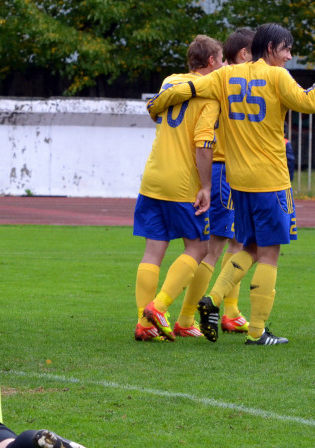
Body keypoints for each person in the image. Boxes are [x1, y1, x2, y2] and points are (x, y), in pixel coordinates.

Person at [147, 23, 315, 345]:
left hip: (237, 182)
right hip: (270, 179)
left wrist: (157, 102)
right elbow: (310, 103)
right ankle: (257, 331)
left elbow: (192, 89)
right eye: (286, 50)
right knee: (269, 253)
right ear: (270, 49)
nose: (289, 57)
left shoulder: (226, 76)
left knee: (249, 247)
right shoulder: (276, 76)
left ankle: (212, 300)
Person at [134, 35, 224, 342]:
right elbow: (203, 144)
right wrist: (207, 186)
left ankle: (143, 323)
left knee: (153, 251)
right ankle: (159, 308)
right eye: (221, 59)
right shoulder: (210, 97)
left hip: (153, 176)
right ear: (211, 61)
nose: (223, 64)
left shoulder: (169, 81)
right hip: (181, 182)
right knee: (198, 247)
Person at [178, 28, 255, 337]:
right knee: (215, 246)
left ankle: (231, 312)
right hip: (224, 167)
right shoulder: (229, 80)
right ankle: (185, 317)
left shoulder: (230, 79)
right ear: (244, 54)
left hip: (234, 170)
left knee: (236, 242)